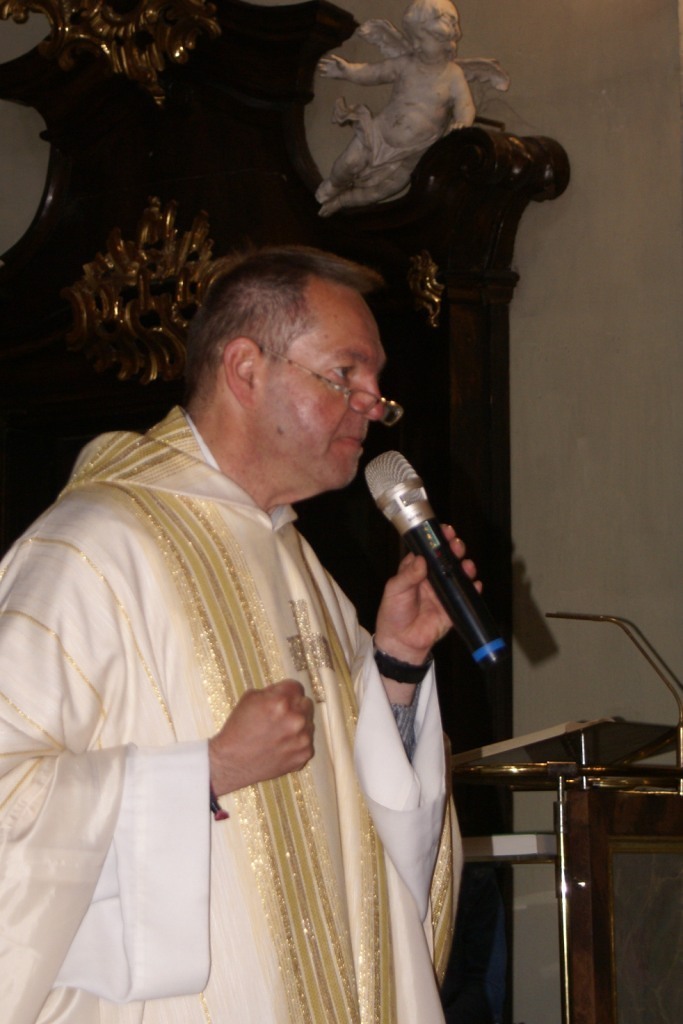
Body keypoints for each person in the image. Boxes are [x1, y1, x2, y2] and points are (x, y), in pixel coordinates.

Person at [0, 245, 478, 1023]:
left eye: (376, 385)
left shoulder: (300, 566)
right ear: (246, 369)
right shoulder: (91, 548)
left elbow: (364, 823)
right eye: (345, 374)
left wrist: (396, 664)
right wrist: (209, 770)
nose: (373, 404)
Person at [315, 0, 508, 216]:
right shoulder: (405, 63)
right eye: (413, 38)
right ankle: (334, 184)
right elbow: (374, 73)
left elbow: (465, 105)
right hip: (378, 133)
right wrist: (348, 71)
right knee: (348, 162)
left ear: (446, 40)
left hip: (412, 152)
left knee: (382, 190)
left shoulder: (453, 75)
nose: (415, 45)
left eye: (422, 39)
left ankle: (342, 201)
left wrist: (462, 122)